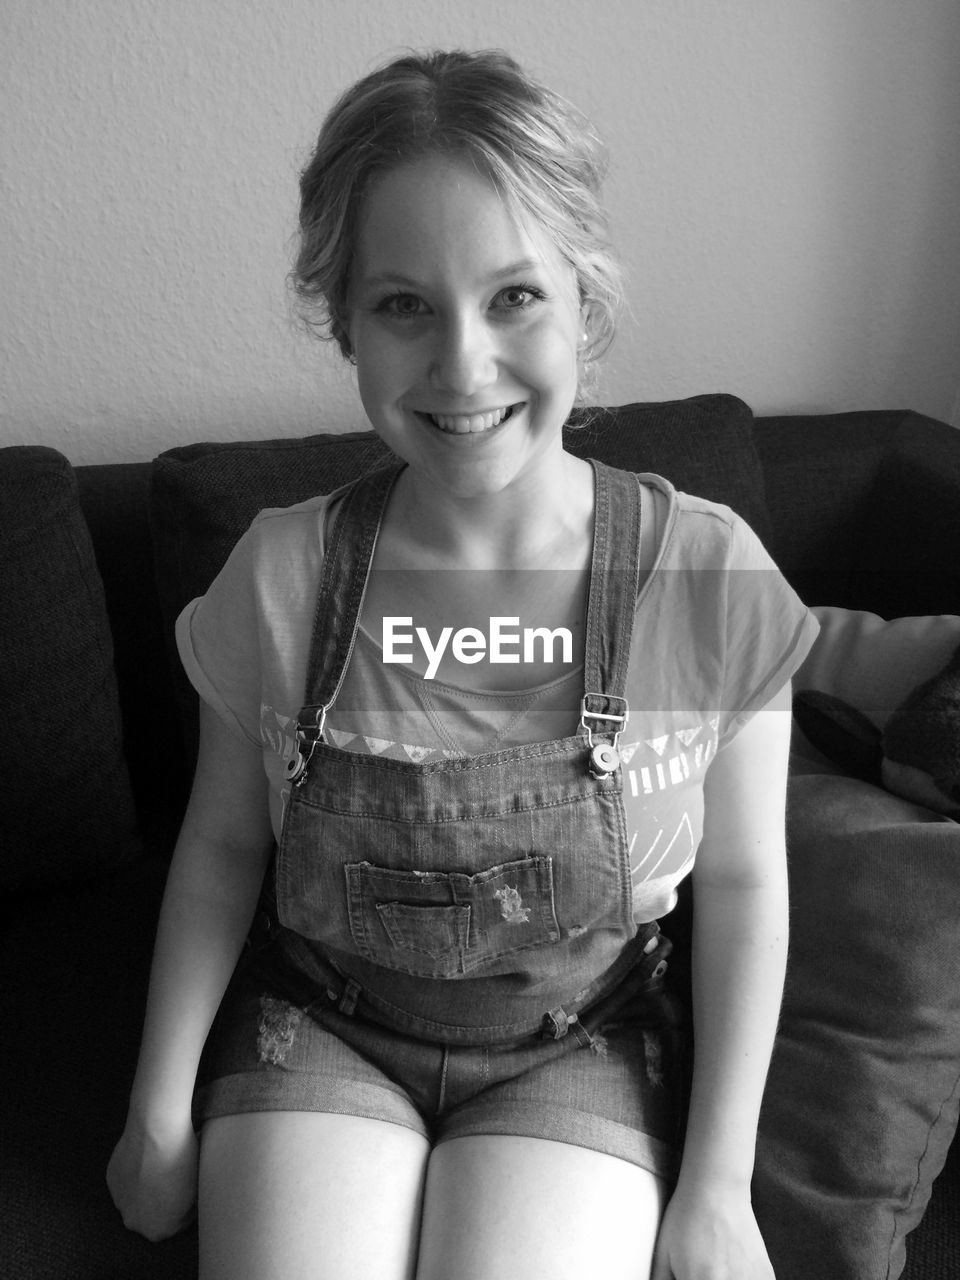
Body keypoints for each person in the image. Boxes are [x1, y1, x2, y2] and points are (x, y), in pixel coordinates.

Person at [107, 48, 819, 1279]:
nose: (462, 364)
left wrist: (718, 1186)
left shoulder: (710, 575)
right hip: (319, 1024)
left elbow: (747, 890)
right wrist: (155, 1108)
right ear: (343, 322)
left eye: (514, 298)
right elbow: (222, 849)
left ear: (585, 303)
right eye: (403, 305)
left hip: (582, 1042)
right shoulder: (278, 575)